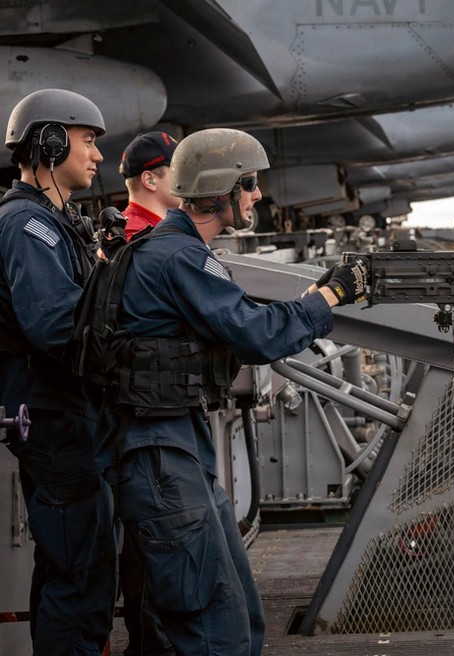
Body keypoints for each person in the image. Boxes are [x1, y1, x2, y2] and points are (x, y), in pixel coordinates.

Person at [99, 127, 367, 656]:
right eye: (249, 186)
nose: (257, 197)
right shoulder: (181, 257)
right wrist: (330, 297)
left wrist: (308, 302)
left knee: (238, 615)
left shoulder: (174, 253)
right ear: (221, 190)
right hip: (162, 456)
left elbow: (238, 327)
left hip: (174, 446)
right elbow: (256, 334)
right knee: (211, 630)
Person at [0, 88, 116, 654]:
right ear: (50, 142)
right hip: (53, 418)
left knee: (68, 564)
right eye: (88, 141)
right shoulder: (29, 226)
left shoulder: (55, 221)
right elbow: (54, 324)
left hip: (63, 414)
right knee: (80, 570)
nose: (97, 156)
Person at [118, 131, 182, 655]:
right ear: (152, 178)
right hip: (145, 416)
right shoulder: (143, 241)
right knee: (151, 558)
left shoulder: (148, 235)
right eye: (176, 170)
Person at [119, 131, 181, 240]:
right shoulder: (142, 239)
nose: (188, 178)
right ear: (150, 180)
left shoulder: (122, 230)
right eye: (178, 170)